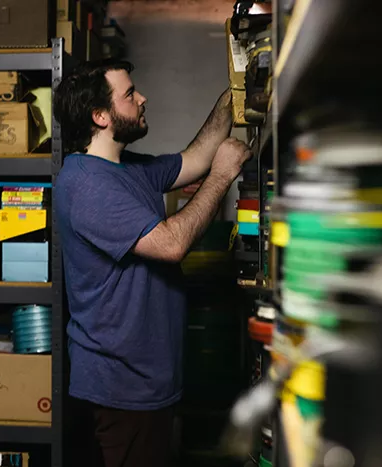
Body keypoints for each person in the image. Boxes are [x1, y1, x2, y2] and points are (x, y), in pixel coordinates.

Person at [53, 59, 252, 467]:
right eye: (129, 94)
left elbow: (197, 155)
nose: (142, 98)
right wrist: (222, 176)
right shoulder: (87, 184)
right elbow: (171, 244)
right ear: (100, 116)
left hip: (149, 381)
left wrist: (236, 92)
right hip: (120, 388)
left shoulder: (130, 170)